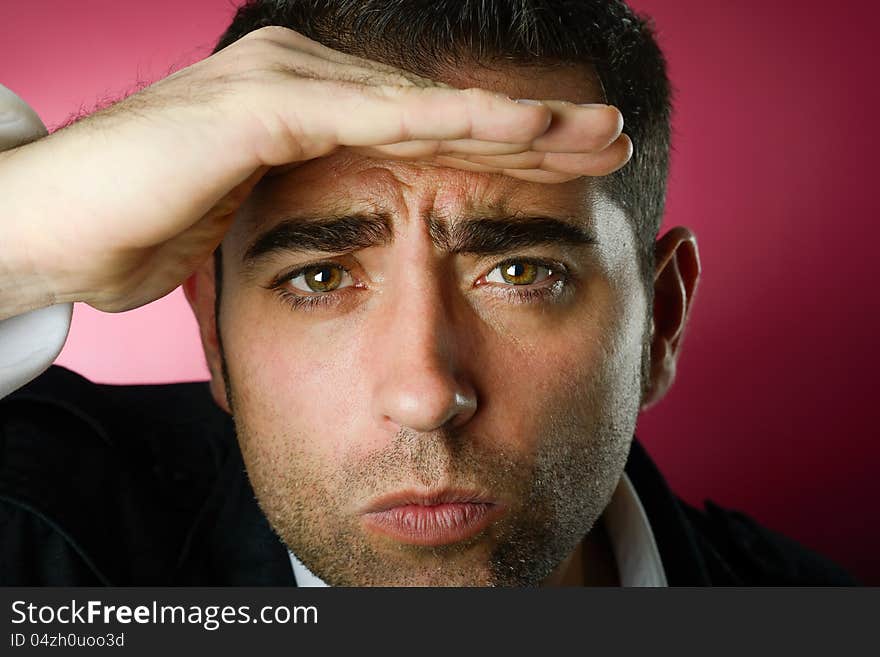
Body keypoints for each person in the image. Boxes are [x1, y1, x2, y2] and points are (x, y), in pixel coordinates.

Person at [0, 0, 856, 586]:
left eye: (519, 272)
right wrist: (21, 231)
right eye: (321, 277)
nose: (422, 396)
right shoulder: (36, 537)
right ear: (215, 338)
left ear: (659, 323)